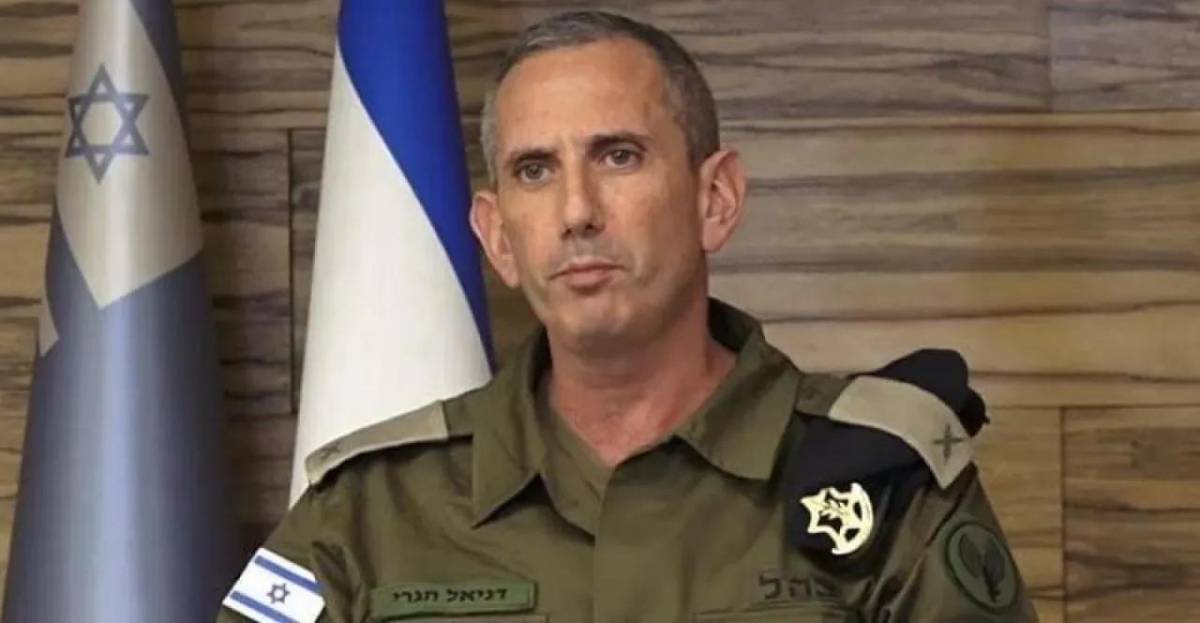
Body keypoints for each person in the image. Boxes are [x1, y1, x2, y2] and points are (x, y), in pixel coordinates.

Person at [219, 11, 1037, 623]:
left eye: (618, 156)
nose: (577, 209)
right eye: (534, 170)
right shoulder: (369, 507)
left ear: (715, 200)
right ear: (497, 237)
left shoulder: (885, 489)